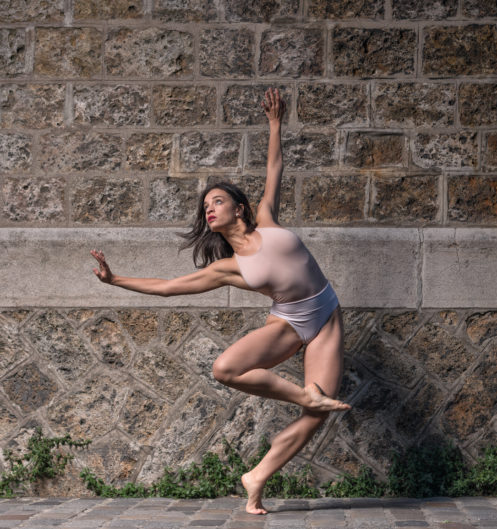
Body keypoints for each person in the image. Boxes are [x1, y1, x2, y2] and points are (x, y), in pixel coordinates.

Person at [90, 88, 350, 515]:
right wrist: (115, 279)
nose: (209, 208)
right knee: (226, 369)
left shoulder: (267, 220)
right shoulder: (229, 268)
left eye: (217, 201)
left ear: (239, 208)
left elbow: (275, 167)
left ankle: (257, 477)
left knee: (318, 412)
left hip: (325, 317)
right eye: (205, 206)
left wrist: (274, 124)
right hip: (288, 321)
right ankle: (302, 396)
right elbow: (168, 286)